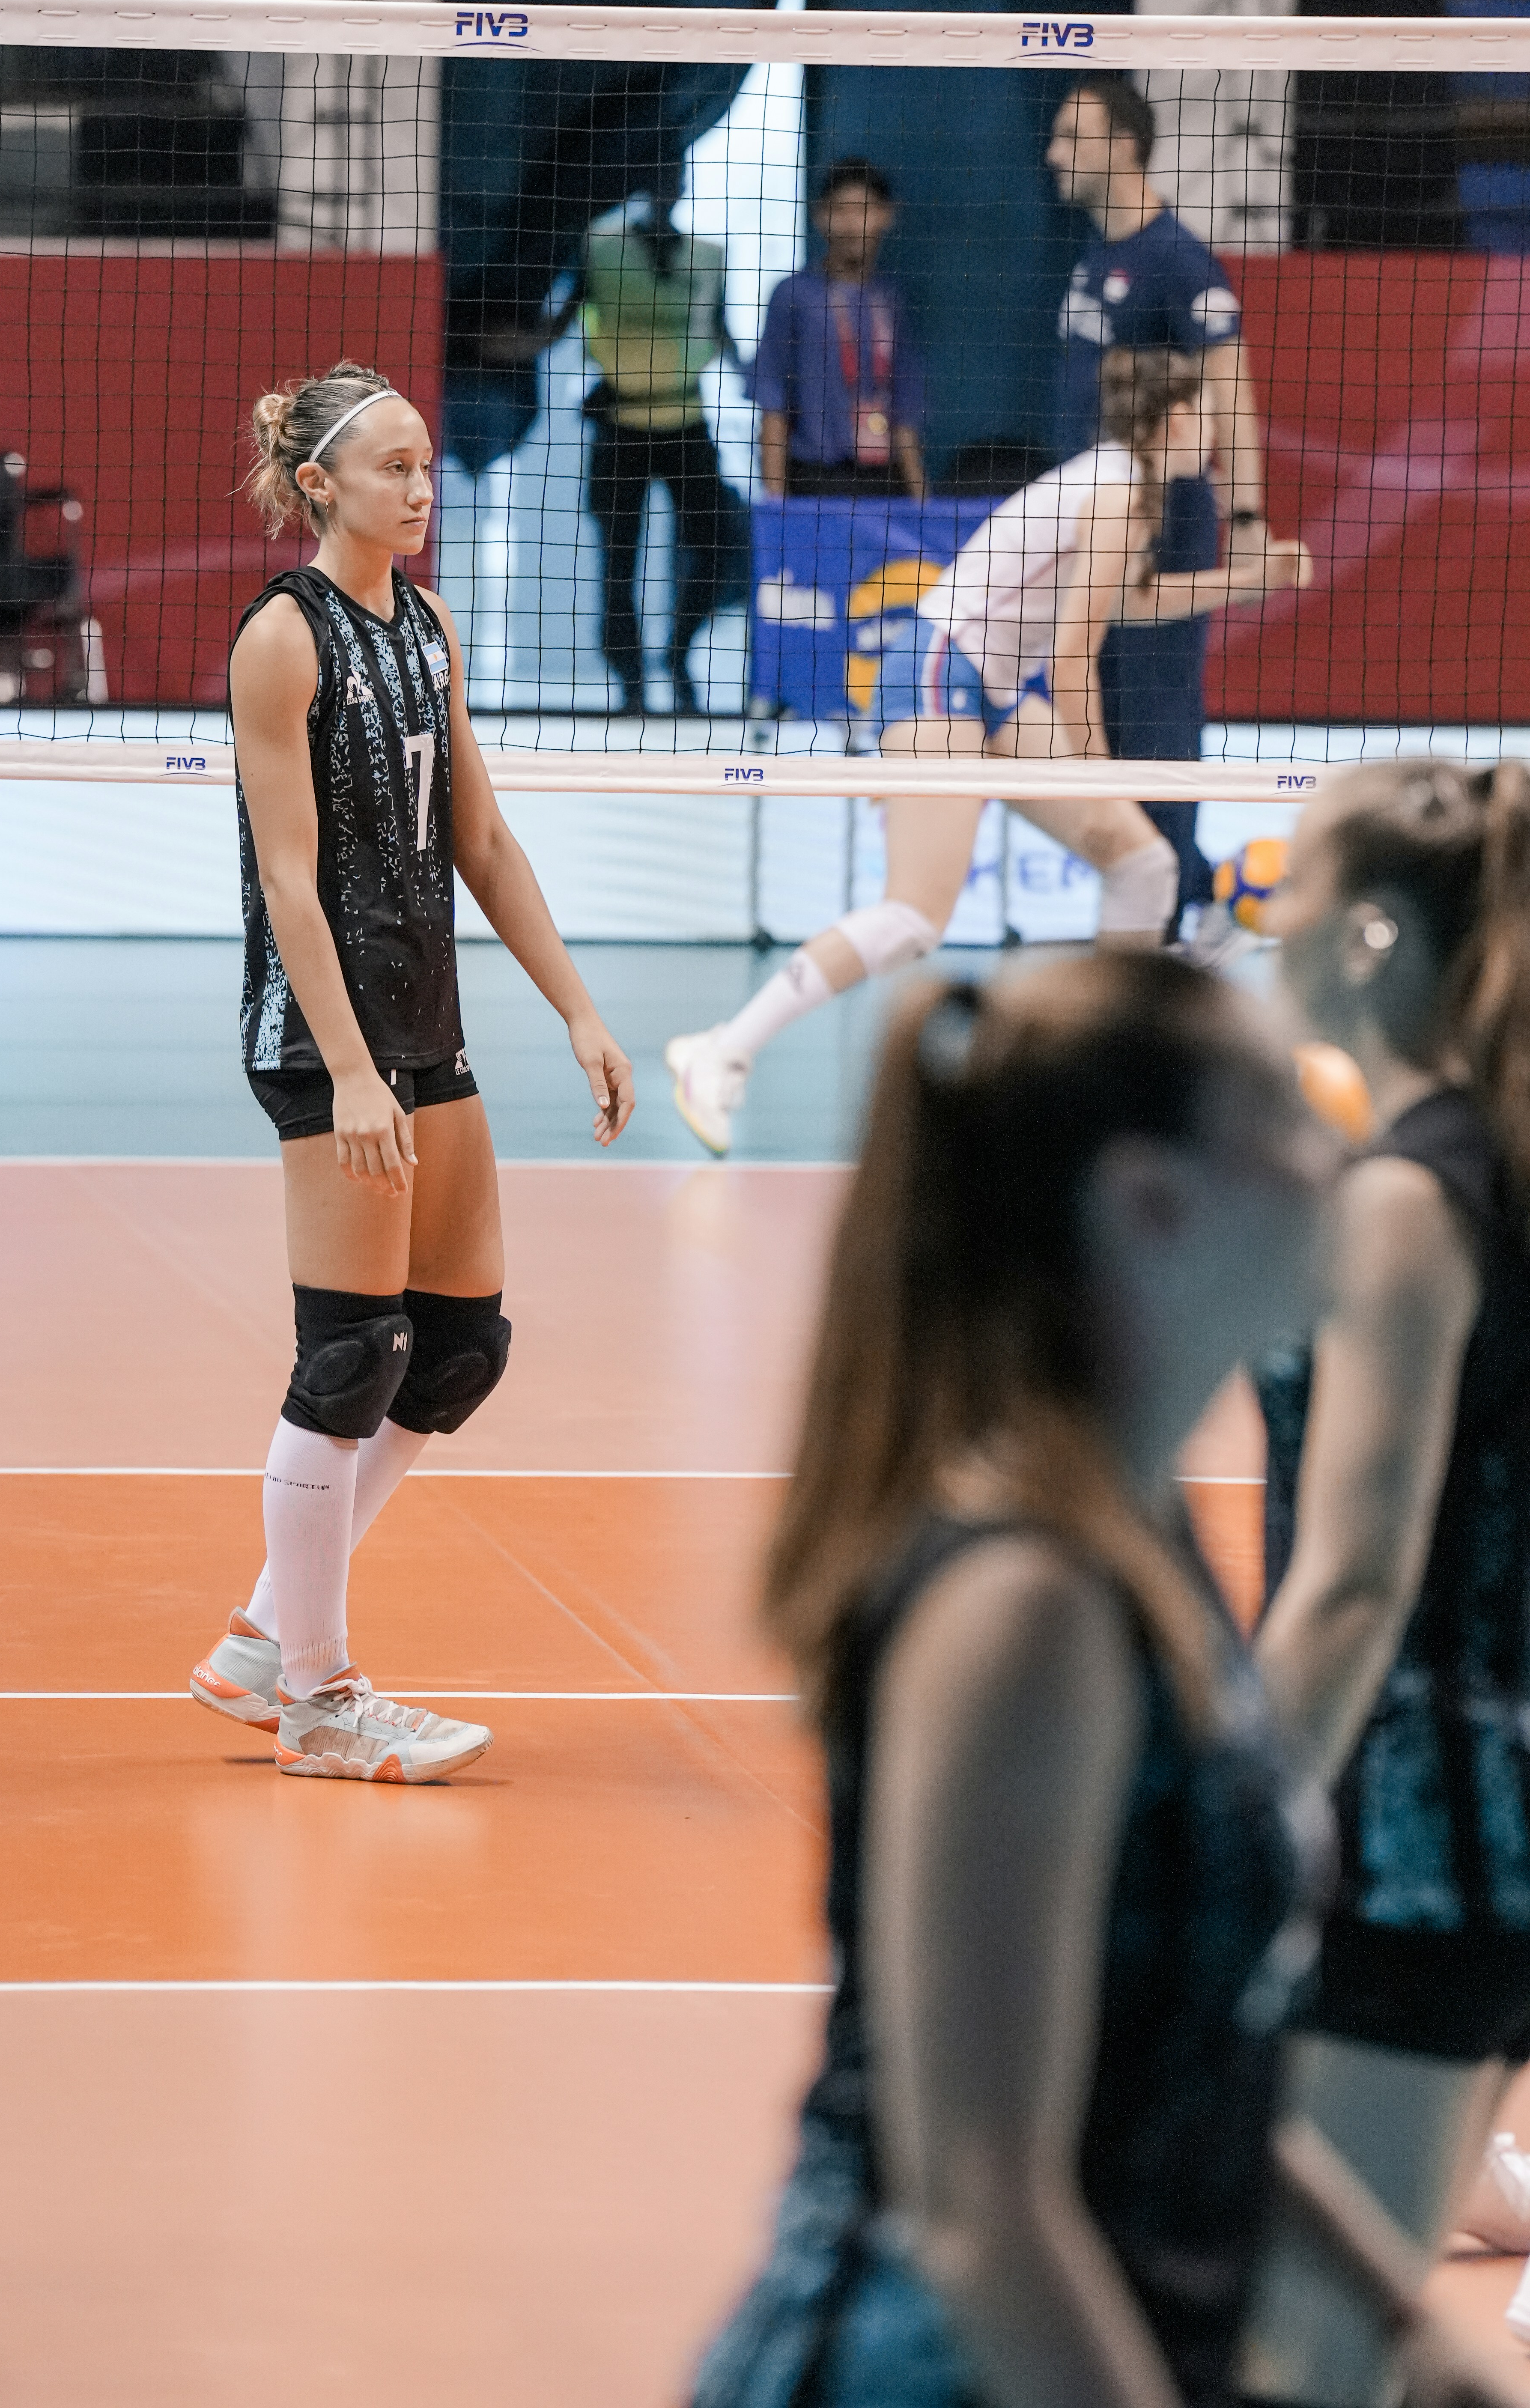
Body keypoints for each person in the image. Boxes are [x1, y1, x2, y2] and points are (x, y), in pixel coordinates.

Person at [689, 952, 1507, 2408]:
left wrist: (1400, 2314)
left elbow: (1183, 2060)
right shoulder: (1026, 1608)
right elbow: (980, 2205)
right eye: (1288, 1112)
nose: (1345, 1155)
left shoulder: (1140, 1532)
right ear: (1152, 1202)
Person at [188, 358, 634, 1782]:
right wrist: (353, 1070)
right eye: (393, 465)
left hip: (426, 1028)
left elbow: (481, 840)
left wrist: (577, 1006)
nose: (419, 486)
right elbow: (288, 877)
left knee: (454, 1350)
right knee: (350, 1350)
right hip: (326, 1042)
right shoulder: (282, 637)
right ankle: (315, 1698)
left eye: (428, 463)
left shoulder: (427, 623)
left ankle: (263, 1631)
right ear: (320, 483)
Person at [665, 350, 1310, 1156]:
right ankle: (719, 1051)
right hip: (939, 670)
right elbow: (1075, 657)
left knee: (1143, 864)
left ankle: (1110, 1093)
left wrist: (1245, 582)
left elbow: (1130, 601)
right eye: (1206, 415)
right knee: (912, 917)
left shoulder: (1127, 492)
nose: (1216, 433)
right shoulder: (1114, 492)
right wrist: (1107, 775)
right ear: (1172, 421)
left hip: (997, 688)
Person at [1242, 763, 1530, 2403]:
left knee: (1305, 2363)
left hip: (1407, 1855)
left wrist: (1230, 1822)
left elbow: (1351, 1582)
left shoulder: (1412, 1206)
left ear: (1361, 936)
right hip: (1468, 1828)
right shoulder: (1469, 1162)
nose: (1256, 918)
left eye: (1282, 889)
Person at [1048, 73, 1270, 937]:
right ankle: (1176, 897)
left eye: (1071, 135)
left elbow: (1231, 391)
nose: (1053, 153)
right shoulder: (1092, 254)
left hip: (1159, 526)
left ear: (1123, 146)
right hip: (1093, 524)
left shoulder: (1177, 262)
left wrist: (1245, 524)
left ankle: (1179, 918)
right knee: (1100, 713)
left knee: (1154, 718)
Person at [575, 176, 749, 718]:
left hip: (687, 421)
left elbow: (721, 331)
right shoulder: (598, 248)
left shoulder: (708, 257)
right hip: (620, 424)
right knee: (617, 561)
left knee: (714, 546)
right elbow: (566, 319)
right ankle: (630, 679)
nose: (665, 186)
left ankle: (678, 654)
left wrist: (760, 380)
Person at [752, 157, 927, 503]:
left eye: (863, 210)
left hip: (882, 481)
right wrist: (776, 506)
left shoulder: (891, 299)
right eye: (839, 211)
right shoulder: (794, 296)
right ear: (820, 217)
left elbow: (906, 411)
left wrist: (922, 504)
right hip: (815, 480)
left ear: (886, 215)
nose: (851, 224)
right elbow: (774, 407)